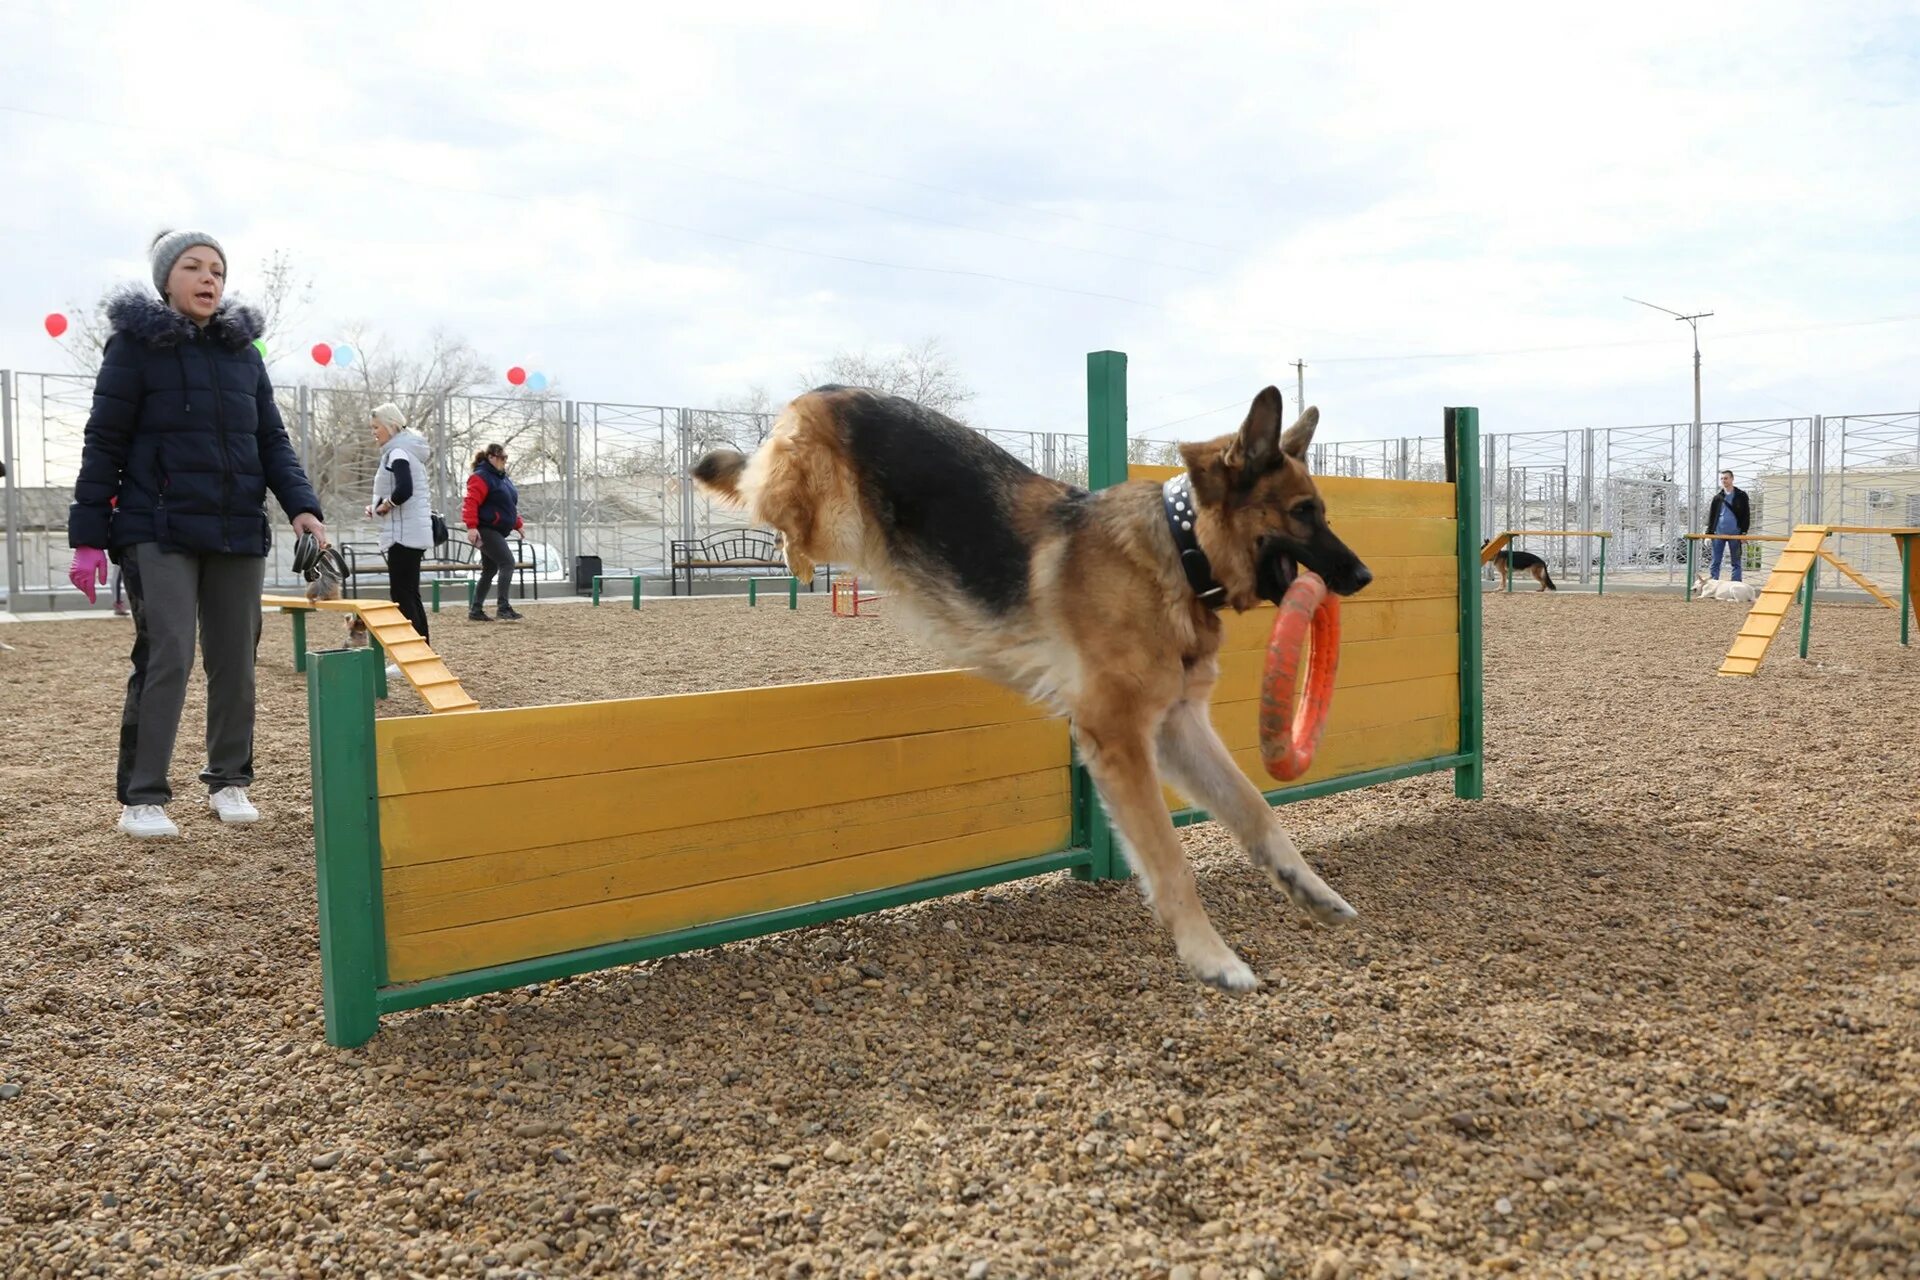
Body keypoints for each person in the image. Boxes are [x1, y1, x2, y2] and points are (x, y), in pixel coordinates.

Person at [67, 230, 327, 838]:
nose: (209, 278)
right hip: (156, 526)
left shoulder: (244, 354)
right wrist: (87, 535)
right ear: (166, 280)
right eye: (193, 267)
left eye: (217, 269)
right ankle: (144, 795)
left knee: (235, 658)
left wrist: (303, 508)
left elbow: (271, 443)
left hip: (237, 524)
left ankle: (230, 780)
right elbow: (104, 441)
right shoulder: (135, 347)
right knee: (170, 653)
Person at [363, 402, 432, 672]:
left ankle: (411, 658)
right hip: (410, 531)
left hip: (403, 535)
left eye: (376, 427)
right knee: (410, 593)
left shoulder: (398, 452)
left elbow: (404, 489)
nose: (374, 432)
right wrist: (378, 505)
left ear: (391, 426)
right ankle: (422, 652)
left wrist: (387, 504)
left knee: (402, 595)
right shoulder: (405, 450)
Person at [462, 442, 524, 621]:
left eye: (506, 458)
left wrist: (517, 523)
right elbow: (471, 502)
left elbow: (508, 505)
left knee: (490, 569)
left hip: (495, 528)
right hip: (486, 528)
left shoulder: (502, 478)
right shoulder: (481, 477)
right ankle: (503, 607)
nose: (504, 461)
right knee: (507, 563)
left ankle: (476, 610)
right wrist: (471, 527)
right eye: (501, 457)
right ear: (491, 457)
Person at [1705, 469, 1751, 582]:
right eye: (1722, 478)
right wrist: (1709, 533)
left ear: (1732, 479)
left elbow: (1746, 514)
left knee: (1736, 561)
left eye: (1726, 478)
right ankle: (1713, 584)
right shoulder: (1718, 497)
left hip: (1735, 533)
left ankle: (1736, 583)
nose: (1723, 481)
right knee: (1716, 561)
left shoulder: (1741, 495)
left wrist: (1744, 532)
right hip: (1719, 533)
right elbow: (1712, 516)